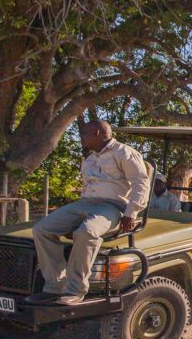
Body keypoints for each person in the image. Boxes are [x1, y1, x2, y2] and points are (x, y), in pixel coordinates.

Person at [27, 120, 150, 305]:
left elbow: (141, 183)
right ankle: (54, 287)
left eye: (84, 134)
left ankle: (75, 290)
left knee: (87, 232)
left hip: (112, 206)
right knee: (41, 229)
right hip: (85, 203)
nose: (81, 137)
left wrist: (131, 213)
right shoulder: (91, 157)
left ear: (97, 133)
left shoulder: (124, 152)